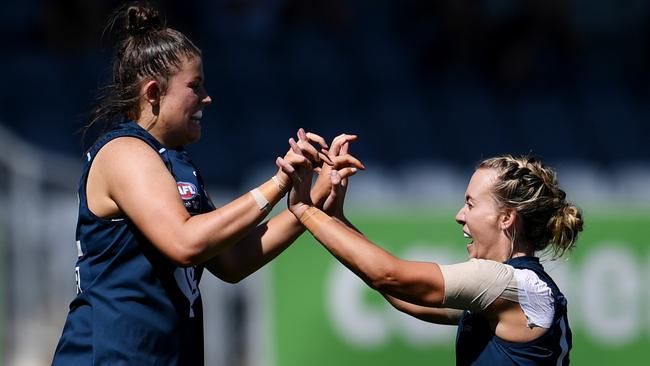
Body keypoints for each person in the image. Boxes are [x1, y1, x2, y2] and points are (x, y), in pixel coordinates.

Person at [51, 2, 362, 365]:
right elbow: (185, 242)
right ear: (153, 93)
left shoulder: (176, 162)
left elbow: (231, 261)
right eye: (194, 86)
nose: (206, 98)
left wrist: (307, 203)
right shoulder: (125, 152)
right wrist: (279, 182)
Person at [278, 153, 583, 365]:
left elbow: (389, 276)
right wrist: (336, 219)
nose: (460, 216)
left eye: (470, 204)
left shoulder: (506, 284)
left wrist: (305, 210)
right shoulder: (514, 288)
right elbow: (405, 297)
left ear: (506, 218)